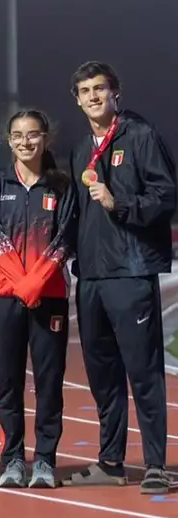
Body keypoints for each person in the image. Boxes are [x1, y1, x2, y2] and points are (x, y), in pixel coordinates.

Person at [60, 61, 176, 494]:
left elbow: (166, 195)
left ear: (115, 93)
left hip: (131, 270)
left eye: (100, 88)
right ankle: (110, 462)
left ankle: (155, 464)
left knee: (143, 372)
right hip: (91, 276)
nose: (93, 96)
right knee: (102, 375)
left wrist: (119, 202)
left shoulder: (140, 136)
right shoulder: (79, 150)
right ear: (77, 100)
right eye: (85, 91)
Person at [0, 109, 78, 489]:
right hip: (5, 297)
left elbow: (64, 240)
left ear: (45, 138)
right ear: (9, 141)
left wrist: (35, 284)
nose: (26, 142)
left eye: (33, 134)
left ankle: (44, 462)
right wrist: (22, 284)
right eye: (18, 135)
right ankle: (12, 460)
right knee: (8, 383)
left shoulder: (62, 186)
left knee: (49, 382)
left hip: (49, 296)